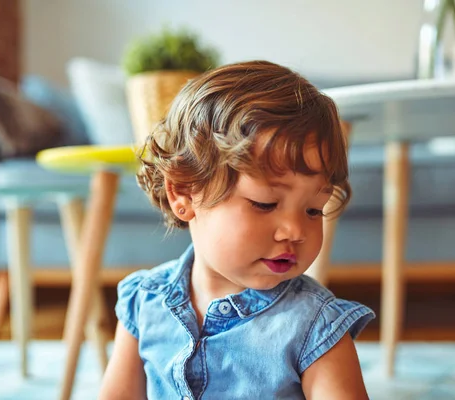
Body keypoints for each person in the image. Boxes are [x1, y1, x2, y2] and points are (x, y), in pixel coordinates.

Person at [99, 60, 375, 400]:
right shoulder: (145, 301)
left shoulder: (315, 325)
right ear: (183, 193)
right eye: (265, 203)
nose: (293, 230)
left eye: (313, 210)